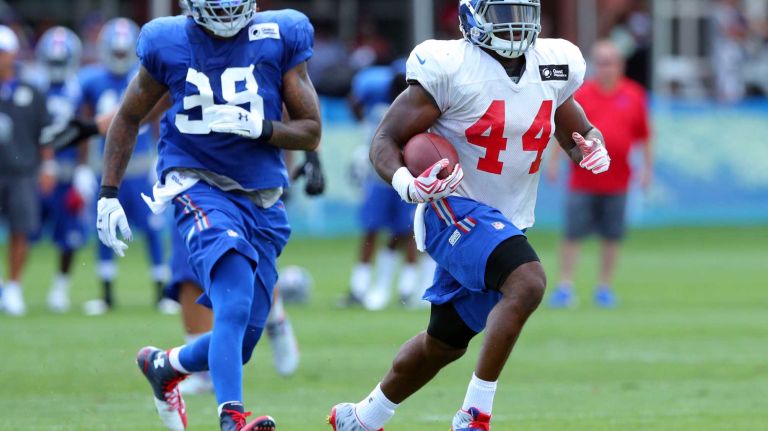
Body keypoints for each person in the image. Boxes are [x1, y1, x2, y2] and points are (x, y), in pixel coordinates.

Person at [328, 1, 611, 430]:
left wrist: (589, 144)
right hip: (451, 205)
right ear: (472, 16)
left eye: (520, 11)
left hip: (505, 219)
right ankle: (474, 416)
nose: (514, 23)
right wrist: (406, 182)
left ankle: (362, 417)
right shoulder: (450, 67)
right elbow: (385, 137)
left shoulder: (555, 62)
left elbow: (571, 125)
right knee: (528, 280)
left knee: (443, 343)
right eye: (502, 12)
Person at [96, 1, 320, 430]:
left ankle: (165, 366)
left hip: (261, 195)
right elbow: (128, 116)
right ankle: (231, 418)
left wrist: (261, 128)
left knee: (242, 339)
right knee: (232, 295)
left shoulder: (280, 33)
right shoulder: (167, 40)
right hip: (196, 182)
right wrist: (108, 194)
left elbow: (311, 131)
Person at [547, 40, 652, 309]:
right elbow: (563, 129)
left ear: (620, 65)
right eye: (601, 62)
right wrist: (554, 162)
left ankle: (604, 288)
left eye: (611, 62)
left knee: (612, 235)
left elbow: (644, 135)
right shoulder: (581, 94)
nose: (606, 68)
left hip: (618, 179)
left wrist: (647, 170)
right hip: (583, 179)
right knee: (573, 233)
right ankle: (565, 286)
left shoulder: (634, 94)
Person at [80, 17, 173, 315]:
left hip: (142, 168)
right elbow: (88, 124)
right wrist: (83, 166)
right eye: (116, 52)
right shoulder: (93, 81)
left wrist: (161, 157)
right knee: (105, 231)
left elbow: (157, 117)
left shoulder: (143, 75)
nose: (120, 58)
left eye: (124, 53)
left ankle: (162, 294)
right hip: (108, 170)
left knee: (153, 230)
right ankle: (106, 296)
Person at [344, 60, 435, 311]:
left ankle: (405, 288)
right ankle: (362, 287)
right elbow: (355, 105)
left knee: (407, 233)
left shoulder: (420, 105)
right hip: (380, 176)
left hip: (408, 175)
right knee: (372, 230)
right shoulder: (374, 92)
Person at [34, 26, 98, 313]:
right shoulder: (35, 86)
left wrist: (83, 169)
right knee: (23, 231)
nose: (57, 67)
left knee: (70, 236)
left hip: (68, 171)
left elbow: (85, 128)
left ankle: (60, 288)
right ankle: (11, 288)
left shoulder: (78, 87)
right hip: (37, 173)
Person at [0, 25, 54, 316]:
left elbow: (44, 132)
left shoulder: (29, 91)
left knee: (21, 231)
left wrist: (48, 165)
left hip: (21, 171)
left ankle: (14, 287)